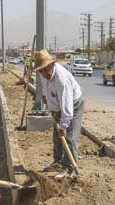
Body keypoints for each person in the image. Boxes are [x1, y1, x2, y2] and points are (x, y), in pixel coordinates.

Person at [33, 50, 84, 180]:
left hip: (73, 106)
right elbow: (45, 88)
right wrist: (46, 97)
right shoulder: (43, 74)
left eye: (45, 70)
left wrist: (64, 126)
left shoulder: (62, 79)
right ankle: (58, 162)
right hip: (56, 105)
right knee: (57, 137)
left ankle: (69, 167)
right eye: (41, 71)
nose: (43, 73)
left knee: (70, 137)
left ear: (51, 65)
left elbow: (67, 107)